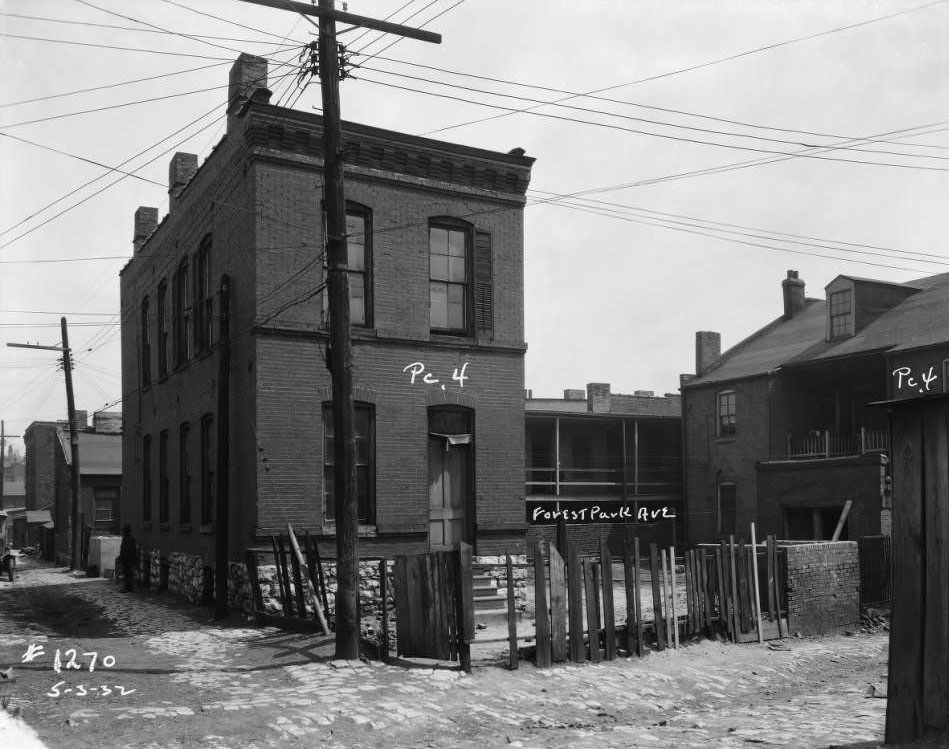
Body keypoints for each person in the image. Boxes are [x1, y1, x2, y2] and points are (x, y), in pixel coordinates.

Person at [119, 525, 137, 592]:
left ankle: (128, 588)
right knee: (128, 574)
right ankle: (129, 587)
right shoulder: (130, 538)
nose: (123, 532)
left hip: (127, 559)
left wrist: (123, 557)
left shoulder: (128, 539)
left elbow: (128, 550)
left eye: (124, 531)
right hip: (129, 559)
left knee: (127, 574)